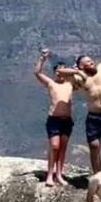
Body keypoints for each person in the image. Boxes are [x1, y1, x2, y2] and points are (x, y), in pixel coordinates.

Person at [56, 26, 101, 173]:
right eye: (88, 63)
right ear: (82, 67)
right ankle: (97, 175)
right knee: (94, 146)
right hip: (94, 117)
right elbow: (60, 72)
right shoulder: (80, 78)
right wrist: (76, 70)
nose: (92, 63)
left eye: (91, 61)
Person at [33, 48, 79, 187]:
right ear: (54, 73)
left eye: (63, 71)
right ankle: (50, 174)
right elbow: (37, 73)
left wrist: (76, 69)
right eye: (58, 71)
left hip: (67, 120)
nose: (60, 74)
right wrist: (42, 58)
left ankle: (59, 174)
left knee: (63, 148)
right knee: (54, 146)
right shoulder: (51, 84)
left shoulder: (71, 85)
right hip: (54, 120)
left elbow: (84, 81)